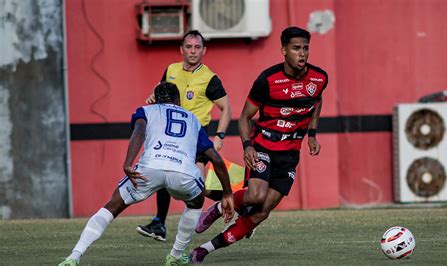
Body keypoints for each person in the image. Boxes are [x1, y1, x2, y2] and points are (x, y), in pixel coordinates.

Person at [188, 26, 329, 263]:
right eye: (296, 48)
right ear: (284, 50)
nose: (302, 53)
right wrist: (248, 146)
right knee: (255, 196)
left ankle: (204, 250)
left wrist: (312, 133)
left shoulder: (319, 77)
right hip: (263, 147)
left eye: (305, 48)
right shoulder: (267, 80)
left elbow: (317, 100)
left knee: (264, 210)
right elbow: (244, 117)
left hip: (290, 155)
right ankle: (217, 208)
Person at [58, 82, 234, 266]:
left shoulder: (145, 111)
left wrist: (127, 163)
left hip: (150, 169)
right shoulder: (193, 119)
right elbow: (216, 159)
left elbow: (139, 131)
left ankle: (74, 256)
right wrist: (227, 193)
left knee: (112, 206)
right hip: (183, 172)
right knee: (196, 202)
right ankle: (175, 255)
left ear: (156, 99)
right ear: (178, 100)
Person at [136, 30, 232, 242]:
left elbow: (226, 108)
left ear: (204, 51)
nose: (192, 51)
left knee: (195, 186)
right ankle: (159, 224)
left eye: (197, 47)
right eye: (189, 47)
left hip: (197, 137)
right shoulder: (171, 70)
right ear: (181, 49)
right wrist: (154, 96)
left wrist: (220, 136)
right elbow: (161, 92)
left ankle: (237, 203)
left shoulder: (209, 78)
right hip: (173, 136)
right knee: (168, 176)